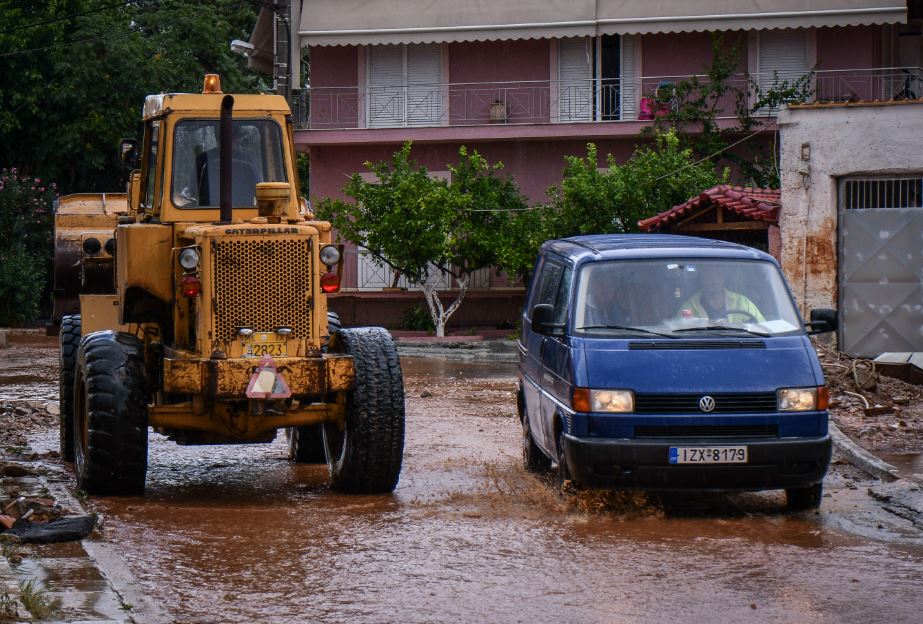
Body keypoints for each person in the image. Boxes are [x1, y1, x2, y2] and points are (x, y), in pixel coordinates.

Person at [680, 265, 764, 323]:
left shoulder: (742, 301)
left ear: (723, 277)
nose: (714, 280)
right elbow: (677, 328)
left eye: (718, 275)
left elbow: (762, 325)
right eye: (708, 276)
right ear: (701, 279)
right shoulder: (690, 305)